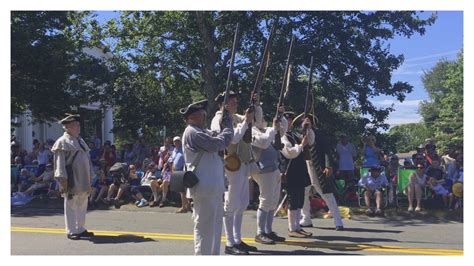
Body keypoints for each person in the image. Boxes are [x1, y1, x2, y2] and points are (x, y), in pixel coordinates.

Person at [181, 99, 233, 255]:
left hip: (213, 188)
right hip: (205, 188)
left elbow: (217, 135)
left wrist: (224, 118)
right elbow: (217, 144)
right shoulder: (192, 132)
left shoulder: (202, 131)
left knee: (215, 229)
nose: (203, 117)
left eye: (203, 114)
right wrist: (228, 127)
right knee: (205, 229)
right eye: (199, 114)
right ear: (190, 118)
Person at [211, 91, 257, 255]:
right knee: (231, 205)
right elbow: (233, 139)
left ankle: (237, 239)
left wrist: (254, 105)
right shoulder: (218, 119)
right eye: (233, 102)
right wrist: (245, 121)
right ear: (224, 104)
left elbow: (251, 121)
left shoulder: (235, 117)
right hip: (231, 165)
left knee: (242, 203)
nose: (236, 104)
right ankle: (230, 242)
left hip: (242, 163)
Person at [297, 114, 345, 231]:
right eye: (304, 122)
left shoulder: (318, 135)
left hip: (317, 167)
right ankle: (306, 219)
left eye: (308, 121)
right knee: (303, 193)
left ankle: (338, 220)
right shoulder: (297, 135)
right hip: (303, 167)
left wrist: (328, 165)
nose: (306, 123)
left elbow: (327, 151)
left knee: (326, 193)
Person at [51, 113, 94, 240]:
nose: (78, 127)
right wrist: (63, 181)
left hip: (83, 178)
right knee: (71, 204)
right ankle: (71, 230)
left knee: (82, 203)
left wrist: (91, 174)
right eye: (75, 125)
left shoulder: (80, 140)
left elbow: (87, 158)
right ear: (67, 127)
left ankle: (80, 228)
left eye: (78, 125)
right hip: (72, 178)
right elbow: (60, 164)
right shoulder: (62, 142)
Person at [250, 105, 286, 245]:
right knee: (265, 201)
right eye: (261, 116)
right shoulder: (251, 130)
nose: (263, 119)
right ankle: (260, 232)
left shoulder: (266, 130)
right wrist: (273, 128)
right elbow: (264, 142)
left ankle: (268, 230)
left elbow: (280, 135)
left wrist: (280, 117)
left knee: (273, 202)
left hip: (274, 168)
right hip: (263, 170)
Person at [280, 113, 312, 238]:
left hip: (299, 170)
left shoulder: (293, 135)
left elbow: (309, 140)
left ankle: (297, 227)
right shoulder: (282, 137)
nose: (289, 122)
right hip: (290, 171)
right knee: (293, 200)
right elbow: (289, 153)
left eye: (290, 120)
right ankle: (292, 228)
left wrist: (306, 128)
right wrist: (301, 145)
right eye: (286, 120)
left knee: (299, 200)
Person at [171, 136, 190, 213]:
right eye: (175, 141)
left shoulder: (184, 149)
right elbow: (173, 160)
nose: (176, 143)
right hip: (176, 171)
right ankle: (187, 206)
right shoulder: (174, 150)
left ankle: (184, 207)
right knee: (182, 190)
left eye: (178, 141)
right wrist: (172, 169)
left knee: (183, 190)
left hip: (182, 170)